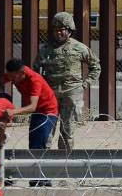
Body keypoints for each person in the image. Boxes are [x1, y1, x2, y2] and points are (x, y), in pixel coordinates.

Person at [35, 12, 99, 152]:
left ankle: (65, 159)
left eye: (61, 30)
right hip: (51, 94)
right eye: (56, 30)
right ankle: (45, 158)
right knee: (47, 128)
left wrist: (85, 84)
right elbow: (35, 71)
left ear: (69, 30)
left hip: (71, 94)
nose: (58, 33)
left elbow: (96, 66)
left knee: (67, 129)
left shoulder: (79, 48)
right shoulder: (46, 49)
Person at [0, 59, 59, 150]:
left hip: (48, 111)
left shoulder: (35, 80)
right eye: (9, 77)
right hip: (37, 111)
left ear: (22, 73)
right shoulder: (14, 73)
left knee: (40, 142)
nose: (11, 80)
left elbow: (32, 107)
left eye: (13, 78)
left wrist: (13, 111)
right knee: (33, 142)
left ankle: (41, 162)